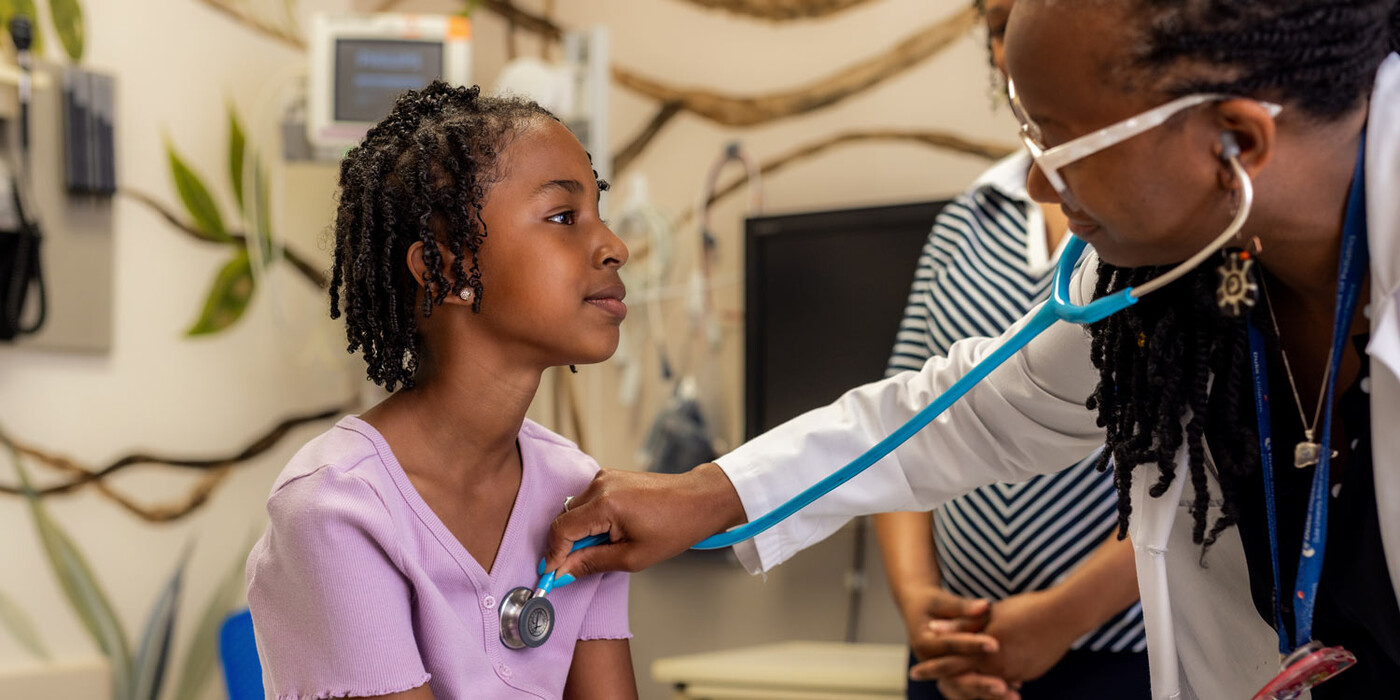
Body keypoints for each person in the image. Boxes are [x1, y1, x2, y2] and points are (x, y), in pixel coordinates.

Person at [543, 2, 1400, 699]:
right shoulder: (1185, 281)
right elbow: (970, 413)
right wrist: (710, 492)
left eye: (1064, 142)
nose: (1035, 184)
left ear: (1237, 144)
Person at [246, 83, 637, 699]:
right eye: (564, 217)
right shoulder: (338, 510)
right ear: (448, 270)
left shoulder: (579, 493)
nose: (614, 247)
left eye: (598, 214)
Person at [876, 1, 1148, 697]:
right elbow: (901, 427)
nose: (1015, 42)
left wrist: (1061, 618)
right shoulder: (965, 223)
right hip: (955, 652)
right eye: (998, 26)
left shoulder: (1159, 213)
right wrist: (922, 613)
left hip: (1123, 652)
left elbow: (1201, 454)